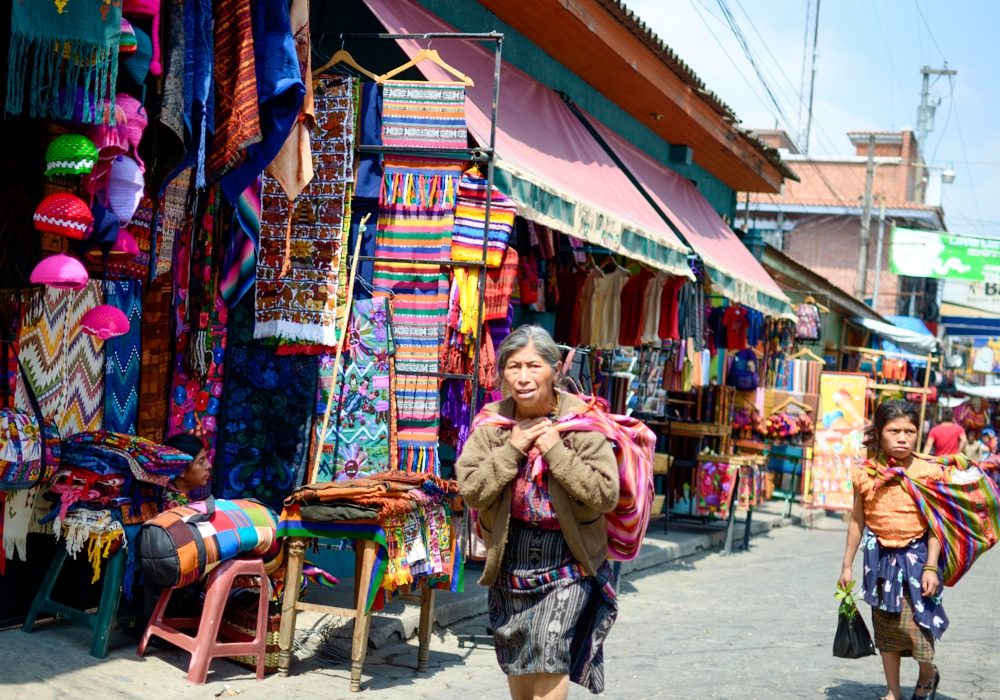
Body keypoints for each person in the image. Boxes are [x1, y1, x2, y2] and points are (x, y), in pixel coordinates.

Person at [455, 325, 620, 700]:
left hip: (568, 558)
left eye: (533, 366)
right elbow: (472, 490)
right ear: (502, 372)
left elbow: (605, 494)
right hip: (510, 556)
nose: (523, 377)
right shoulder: (493, 423)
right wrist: (513, 447)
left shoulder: (582, 422)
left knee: (549, 651)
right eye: (514, 367)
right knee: (518, 657)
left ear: (555, 368)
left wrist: (555, 451)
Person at [840, 400, 947, 700]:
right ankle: (893, 692)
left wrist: (931, 567)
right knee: (887, 626)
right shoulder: (866, 474)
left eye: (910, 431)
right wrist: (847, 566)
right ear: (879, 432)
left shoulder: (928, 473)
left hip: (918, 559)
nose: (903, 438)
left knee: (918, 625)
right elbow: (856, 521)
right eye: (894, 430)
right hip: (880, 561)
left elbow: (936, 526)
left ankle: (928, 673)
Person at [163, 433, 211, 507]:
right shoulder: (181, 506)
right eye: (201, 462)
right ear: (181, 470)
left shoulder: (164, 492)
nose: (209, 466)